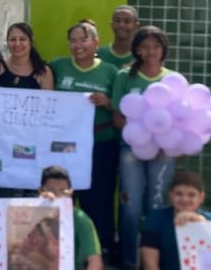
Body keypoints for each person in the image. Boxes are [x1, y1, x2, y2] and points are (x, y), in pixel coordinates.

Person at [49, 20, 119, 261]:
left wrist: (107, 102)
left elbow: (121, 107)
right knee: (62, 195)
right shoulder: (57, 66)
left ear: (96, 42)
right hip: (62, 146)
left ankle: (95, 254)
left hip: (100, 145)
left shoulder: (110, 71)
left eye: (84, 39)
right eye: (73, 40)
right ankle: (58, 251)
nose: (78, 45)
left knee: (97, 199)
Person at [111, 26, 177, 270]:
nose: (151, 52)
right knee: (130, 208)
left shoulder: (172, 80)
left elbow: (180, 120)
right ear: (137, 49)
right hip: (131, 150)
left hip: (163, 152)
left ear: (163, 50)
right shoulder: (124, 76)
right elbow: (117, 117)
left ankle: (154, 262)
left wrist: (160, 141)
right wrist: (141, 136)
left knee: (156, 207)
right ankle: (130, 260)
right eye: (145, 46)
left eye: (156, 46)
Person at [139, 171, 211, 270]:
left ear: (201, 197)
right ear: (171, 195)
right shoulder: (155, 219)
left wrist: (202, 225)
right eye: (179, 194)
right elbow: (149, 264)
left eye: (191, 195)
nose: (185, 199)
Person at [37, 166, 104, 270]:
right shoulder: (26, 214)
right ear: (40, 191)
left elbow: (95, 262)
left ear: (71, 194)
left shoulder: (80, 219)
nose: (57, 196)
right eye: (51, 191)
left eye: (63, 192)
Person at [0, 23, 54, 90]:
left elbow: (48, 96)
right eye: (13, 39)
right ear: (7, 41)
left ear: (31, 41)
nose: (17, 44)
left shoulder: (43, 72)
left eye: (22, 39)